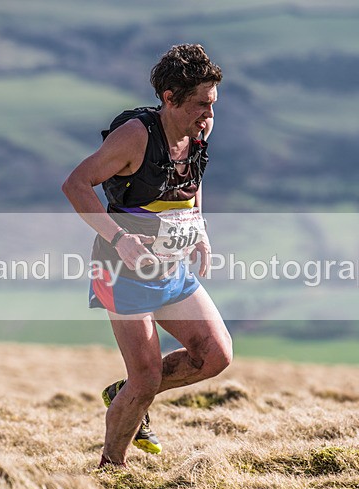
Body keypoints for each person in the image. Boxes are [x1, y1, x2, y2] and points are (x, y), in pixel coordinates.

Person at [62, 43, 233, 467]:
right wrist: (120, 238)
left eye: (212, 105)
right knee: (146, 376)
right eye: (199, 105)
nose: (208, 116)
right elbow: (76, 184)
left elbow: (193, 179)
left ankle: (127, 395)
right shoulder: (136, 137)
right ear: (169, 98)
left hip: (170, 264)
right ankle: (111, 470)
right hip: (122, 268)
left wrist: (200, 230)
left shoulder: (197, 133)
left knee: (215, 356)